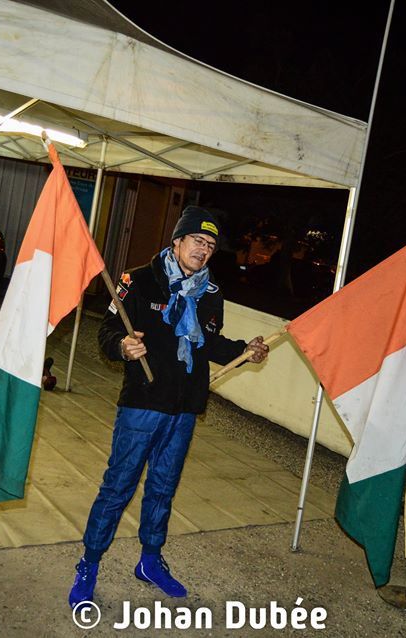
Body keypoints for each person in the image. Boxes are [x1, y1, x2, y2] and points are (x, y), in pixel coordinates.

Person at [69, 205, 269, 608]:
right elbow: (108, 330)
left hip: (184, 407)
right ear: (177, 241)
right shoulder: (139, 280)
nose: (204, 250)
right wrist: (123, 346)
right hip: (143, 403)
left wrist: (244, 350)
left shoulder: (211, 293)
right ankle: (89, 563)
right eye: (197, 240)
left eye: (210, 245)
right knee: (118, 486)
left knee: (163, 488)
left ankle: (149, 560)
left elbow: (208, 341)